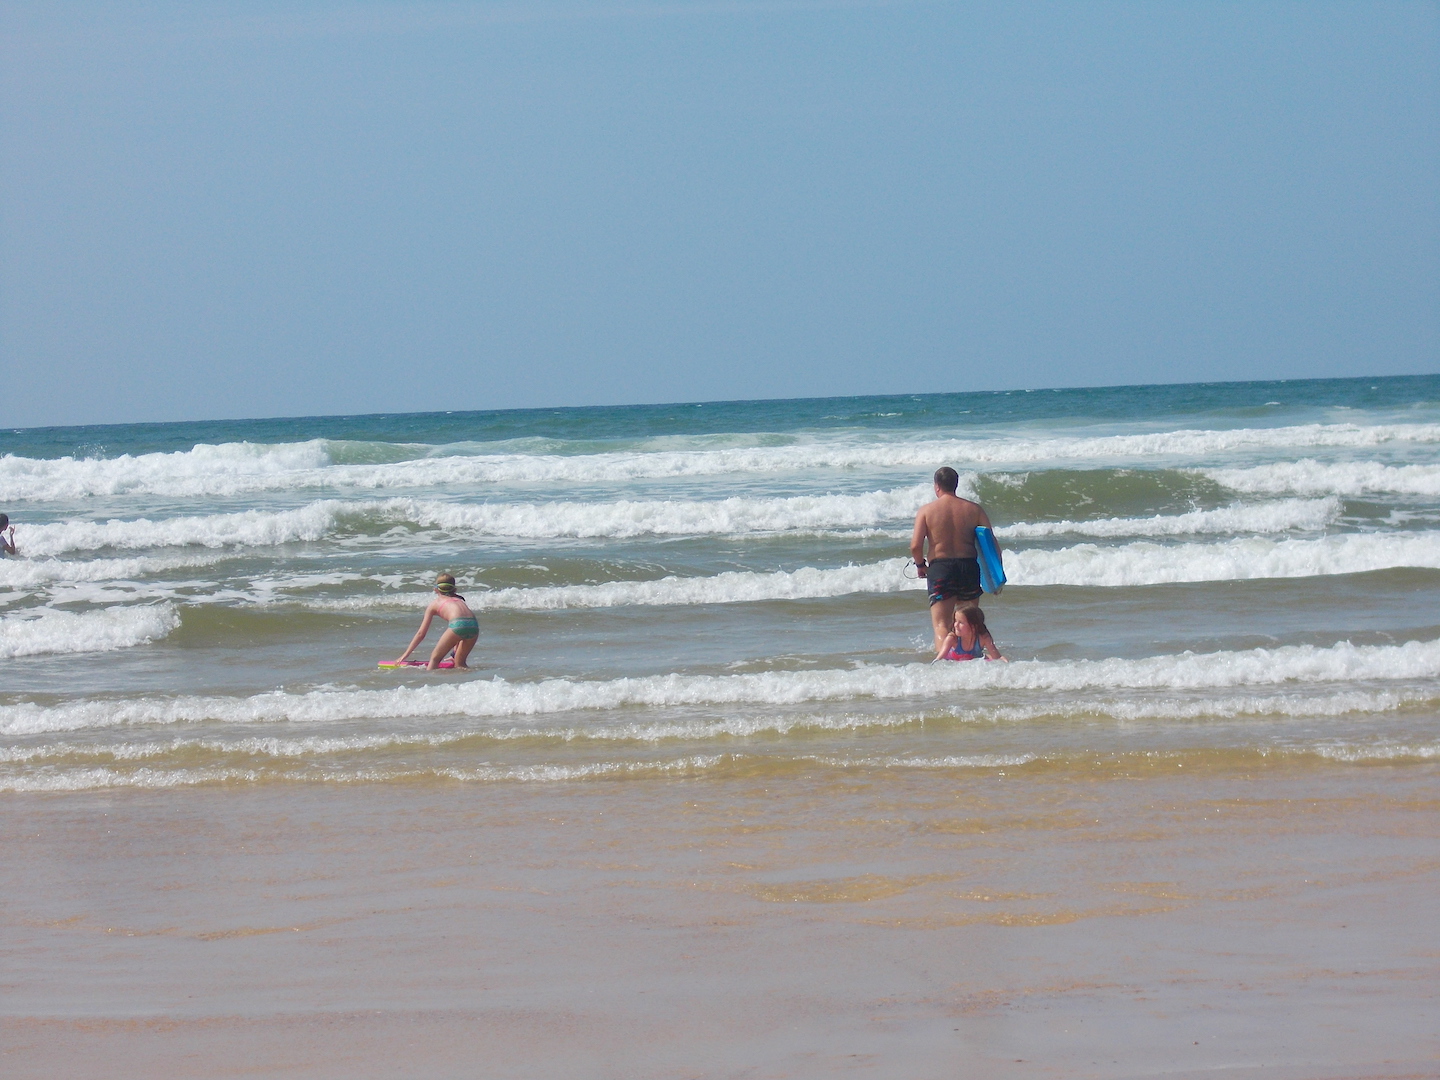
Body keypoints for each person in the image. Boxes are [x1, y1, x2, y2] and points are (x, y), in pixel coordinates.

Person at [910, 466, 996, 655]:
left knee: (942, 624)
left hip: (941, 569)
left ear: (937, 486)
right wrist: (995, 577)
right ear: (956, 485)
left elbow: (915, 546)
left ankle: (946, 665)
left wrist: (920, 566)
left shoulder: (926, 511)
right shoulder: (974, 509)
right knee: (970, 623)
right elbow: (991, 544)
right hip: (969, 568)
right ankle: (971, 661)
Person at [394, 573, 479, 671]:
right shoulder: (460, 600)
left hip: (457, 625)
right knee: (460, 663)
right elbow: (464, 628)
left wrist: (405, 655)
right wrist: (454, 654)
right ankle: (471, 679)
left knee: (434, 659)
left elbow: (421, 634)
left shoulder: (434, 604)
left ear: (435, 589)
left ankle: (429, 679)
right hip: (474, 626)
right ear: (454, 589)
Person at [936, 605, 1006, 662]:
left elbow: (997, 658)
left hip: (974, 659)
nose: (956, 625)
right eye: (955, 621)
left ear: (973, 626)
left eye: (961, 622)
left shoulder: (983, 638)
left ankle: (986, 656)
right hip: (954, 659)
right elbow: (938, 660)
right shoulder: (952, 638)